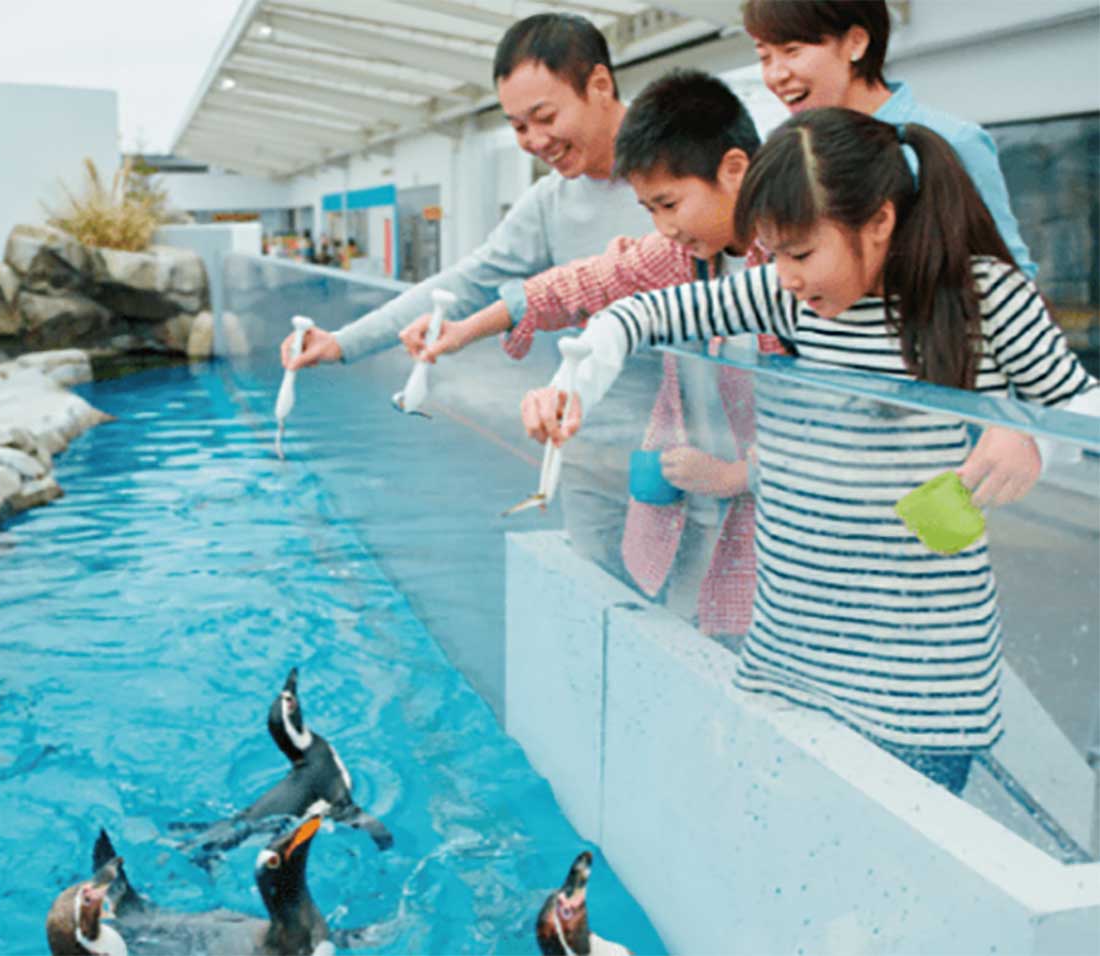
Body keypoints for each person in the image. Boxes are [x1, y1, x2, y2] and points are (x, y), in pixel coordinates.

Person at [520, 109, 1096, 792]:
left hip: (920, 687)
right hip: (791, 655)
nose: (784, 275)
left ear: (878, 221)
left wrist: (1021, 428)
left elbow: (1081, 411)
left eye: (799, 252)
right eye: (773, 252)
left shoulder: (982, 294)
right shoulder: (789, 296)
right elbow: (645, 312)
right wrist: (575, 380)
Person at [401, 69, 781, 637]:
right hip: (694, 510)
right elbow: (577, 286)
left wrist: (737, 475)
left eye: (669, 204)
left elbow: (841, 417)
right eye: (649, 210)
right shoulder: (680, 257)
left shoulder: (794, 267)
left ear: (733, 170)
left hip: (772, 526)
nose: (663, 228)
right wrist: (460, 330)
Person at [278, 12, 650, 371]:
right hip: (588, 418)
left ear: (600, 85)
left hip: (700, 422)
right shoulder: (549, 201)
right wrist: (343, 342)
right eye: (519, 127)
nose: (536, 140)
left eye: (546, 117)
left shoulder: (694, 164)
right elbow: (470, 282)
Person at [744, 0, 1037, 278]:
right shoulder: (795, 152)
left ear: (856, 42)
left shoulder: (954, 141)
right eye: (764, 57)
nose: (775, 75)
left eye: (792, 50)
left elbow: (1010, 273)